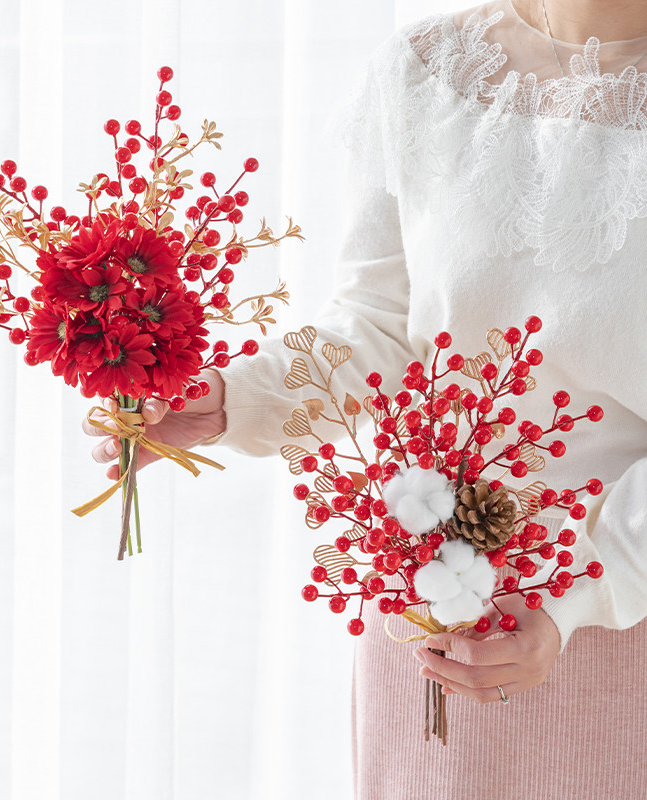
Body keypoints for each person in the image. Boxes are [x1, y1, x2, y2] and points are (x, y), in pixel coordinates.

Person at [86, 1, 647, 796]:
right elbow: (379, 325)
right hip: (430, 605)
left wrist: (580, 592)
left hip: (627, 611)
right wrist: (229, 398)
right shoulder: (427, 70)